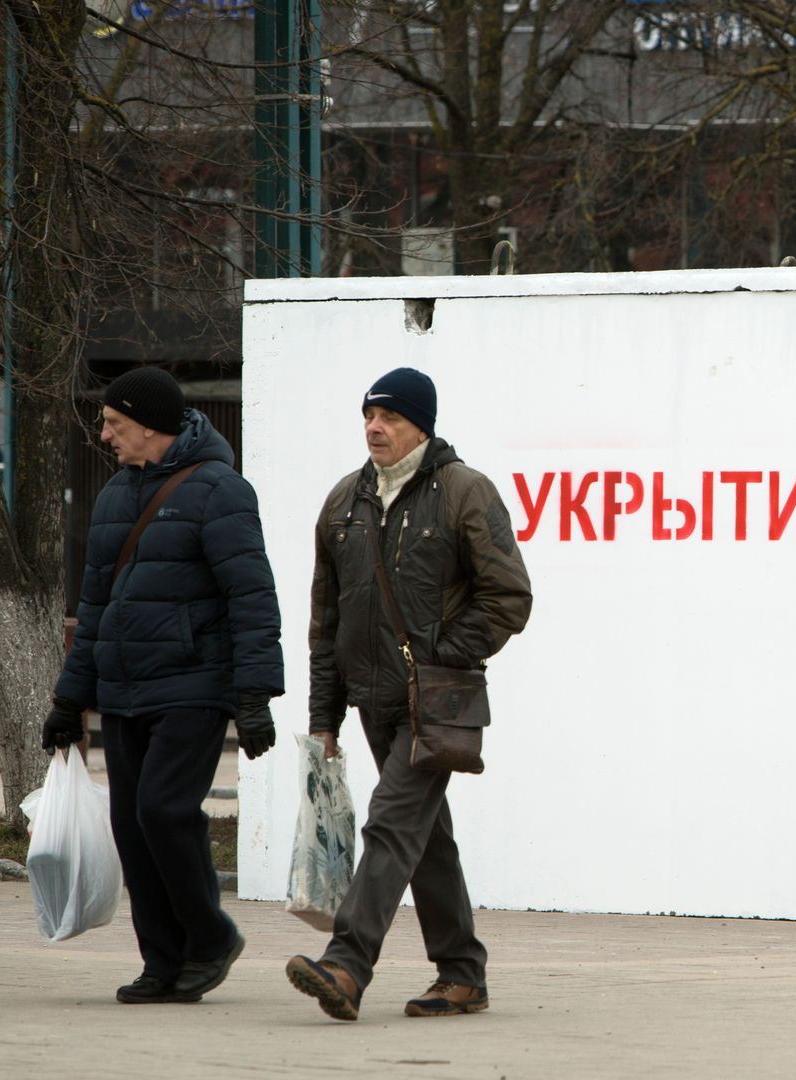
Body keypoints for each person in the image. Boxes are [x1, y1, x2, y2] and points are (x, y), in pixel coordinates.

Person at [286, 367, 532, 1022]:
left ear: (421, 425)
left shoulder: (463, 492)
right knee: (426, 837)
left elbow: (509, 596)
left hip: (437, 702)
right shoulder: (343, 502)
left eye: (390, 417)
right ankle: (462, 973)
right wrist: (324, 716)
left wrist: (443, 657)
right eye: (369, 415)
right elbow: (326, 620)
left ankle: (347, 961)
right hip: (372, 700)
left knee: (392, 822)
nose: (375, 427)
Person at [43, 365, 283, 1004]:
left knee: (164, 810)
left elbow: (251, 597)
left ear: (149, 426)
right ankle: (162, 960)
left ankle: (210, 938)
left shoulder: (220, 490)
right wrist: (70, 698)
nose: (104, 435)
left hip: (192, 686)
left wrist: (253, 696)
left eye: (114, 423)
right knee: (131, 822)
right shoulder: (118, 493)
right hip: (124, 690)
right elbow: (95, 605)